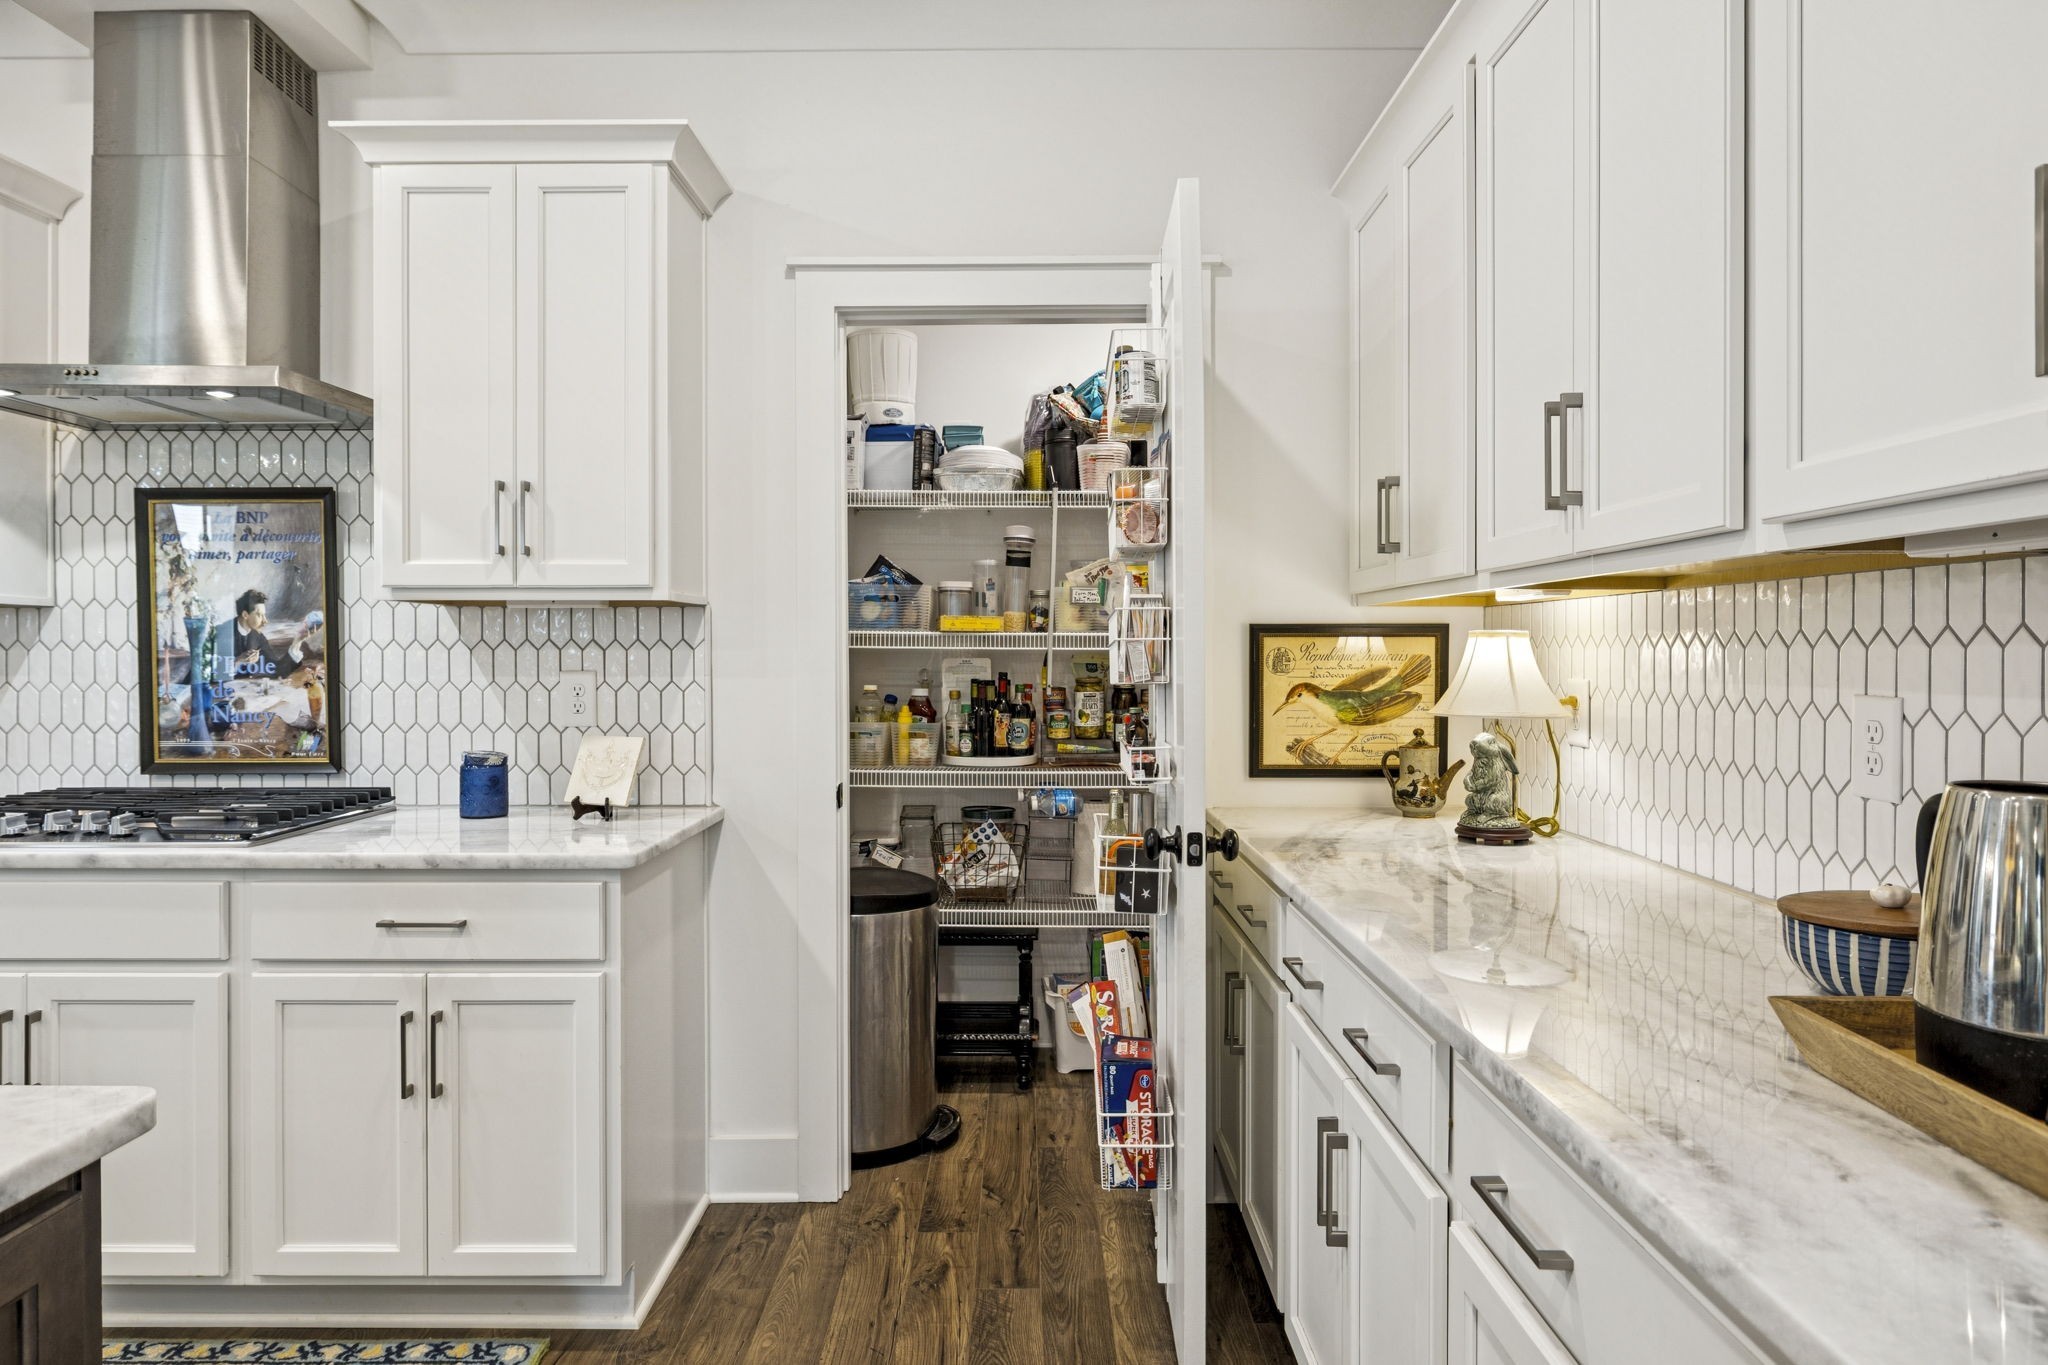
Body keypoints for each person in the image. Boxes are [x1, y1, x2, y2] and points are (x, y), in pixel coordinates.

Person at [232, 590, 322, 679]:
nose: (265, 621)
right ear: (245, 615)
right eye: (260, 615)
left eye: (264, 615)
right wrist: (238, 662)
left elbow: (278, 670)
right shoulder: (222, 633)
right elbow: (218, 673)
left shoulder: (257, 637)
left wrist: (298, 640)